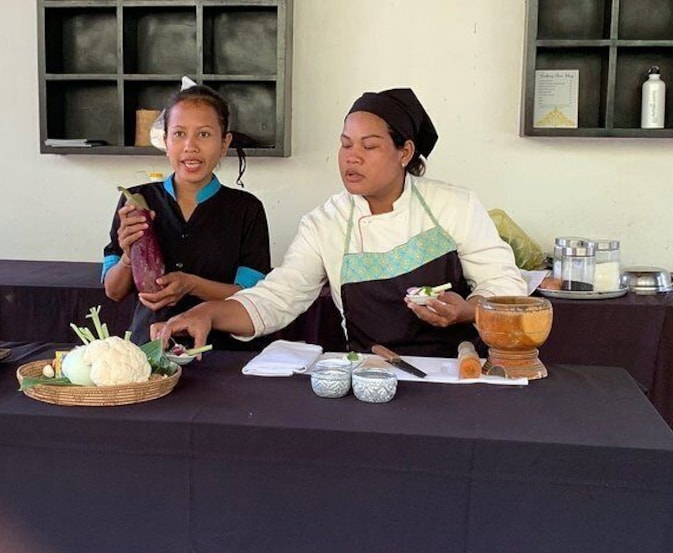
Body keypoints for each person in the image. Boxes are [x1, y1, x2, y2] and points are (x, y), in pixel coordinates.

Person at [151, 88, 526, 358]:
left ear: (405, 152)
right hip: (369, 371)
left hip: (458, 372)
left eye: (370, 146)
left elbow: (506, 288)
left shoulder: (454, 206)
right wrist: (207, 312)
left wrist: (464, 309)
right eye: (346, 144)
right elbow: (276, 298)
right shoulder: (325, 223)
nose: (352, 158)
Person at [102, 85, 271, 350]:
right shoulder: (136, 202)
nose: (190, 146)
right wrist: (127, 256)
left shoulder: (246, 209)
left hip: (223, 354)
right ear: (165, 141)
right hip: (149, 350)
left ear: (224, 143)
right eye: (179, 134)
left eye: (204, 134)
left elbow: (252, 295)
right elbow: (113, 291)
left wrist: (191, 285)